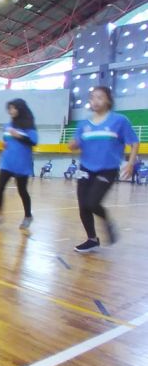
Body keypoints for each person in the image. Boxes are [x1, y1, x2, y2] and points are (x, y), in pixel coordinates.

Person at [69, 86, 139, 253]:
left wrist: (130, 164)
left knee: (92, 203)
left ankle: (108, 223)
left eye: (100, 97)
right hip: (85, 169)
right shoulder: (84, 124)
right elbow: (75, 143)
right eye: (92, 98)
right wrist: (73, 145)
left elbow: (134, 142)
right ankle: (92, 239)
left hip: (107, 170)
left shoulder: (119, 121)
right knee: (83, 207)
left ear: (108, 100)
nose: (95, 101)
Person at [0, 99, 38, 232]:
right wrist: (5, 144)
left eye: (13, 108)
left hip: (22, 164)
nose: (10, 111)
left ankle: (28, 216)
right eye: (9, 108)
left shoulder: (29, 126)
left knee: (22, 191)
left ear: (20, 109)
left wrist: (19, 135)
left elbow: (34, 142)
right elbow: (6, 140)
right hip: (7, 162)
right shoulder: (7, 126)